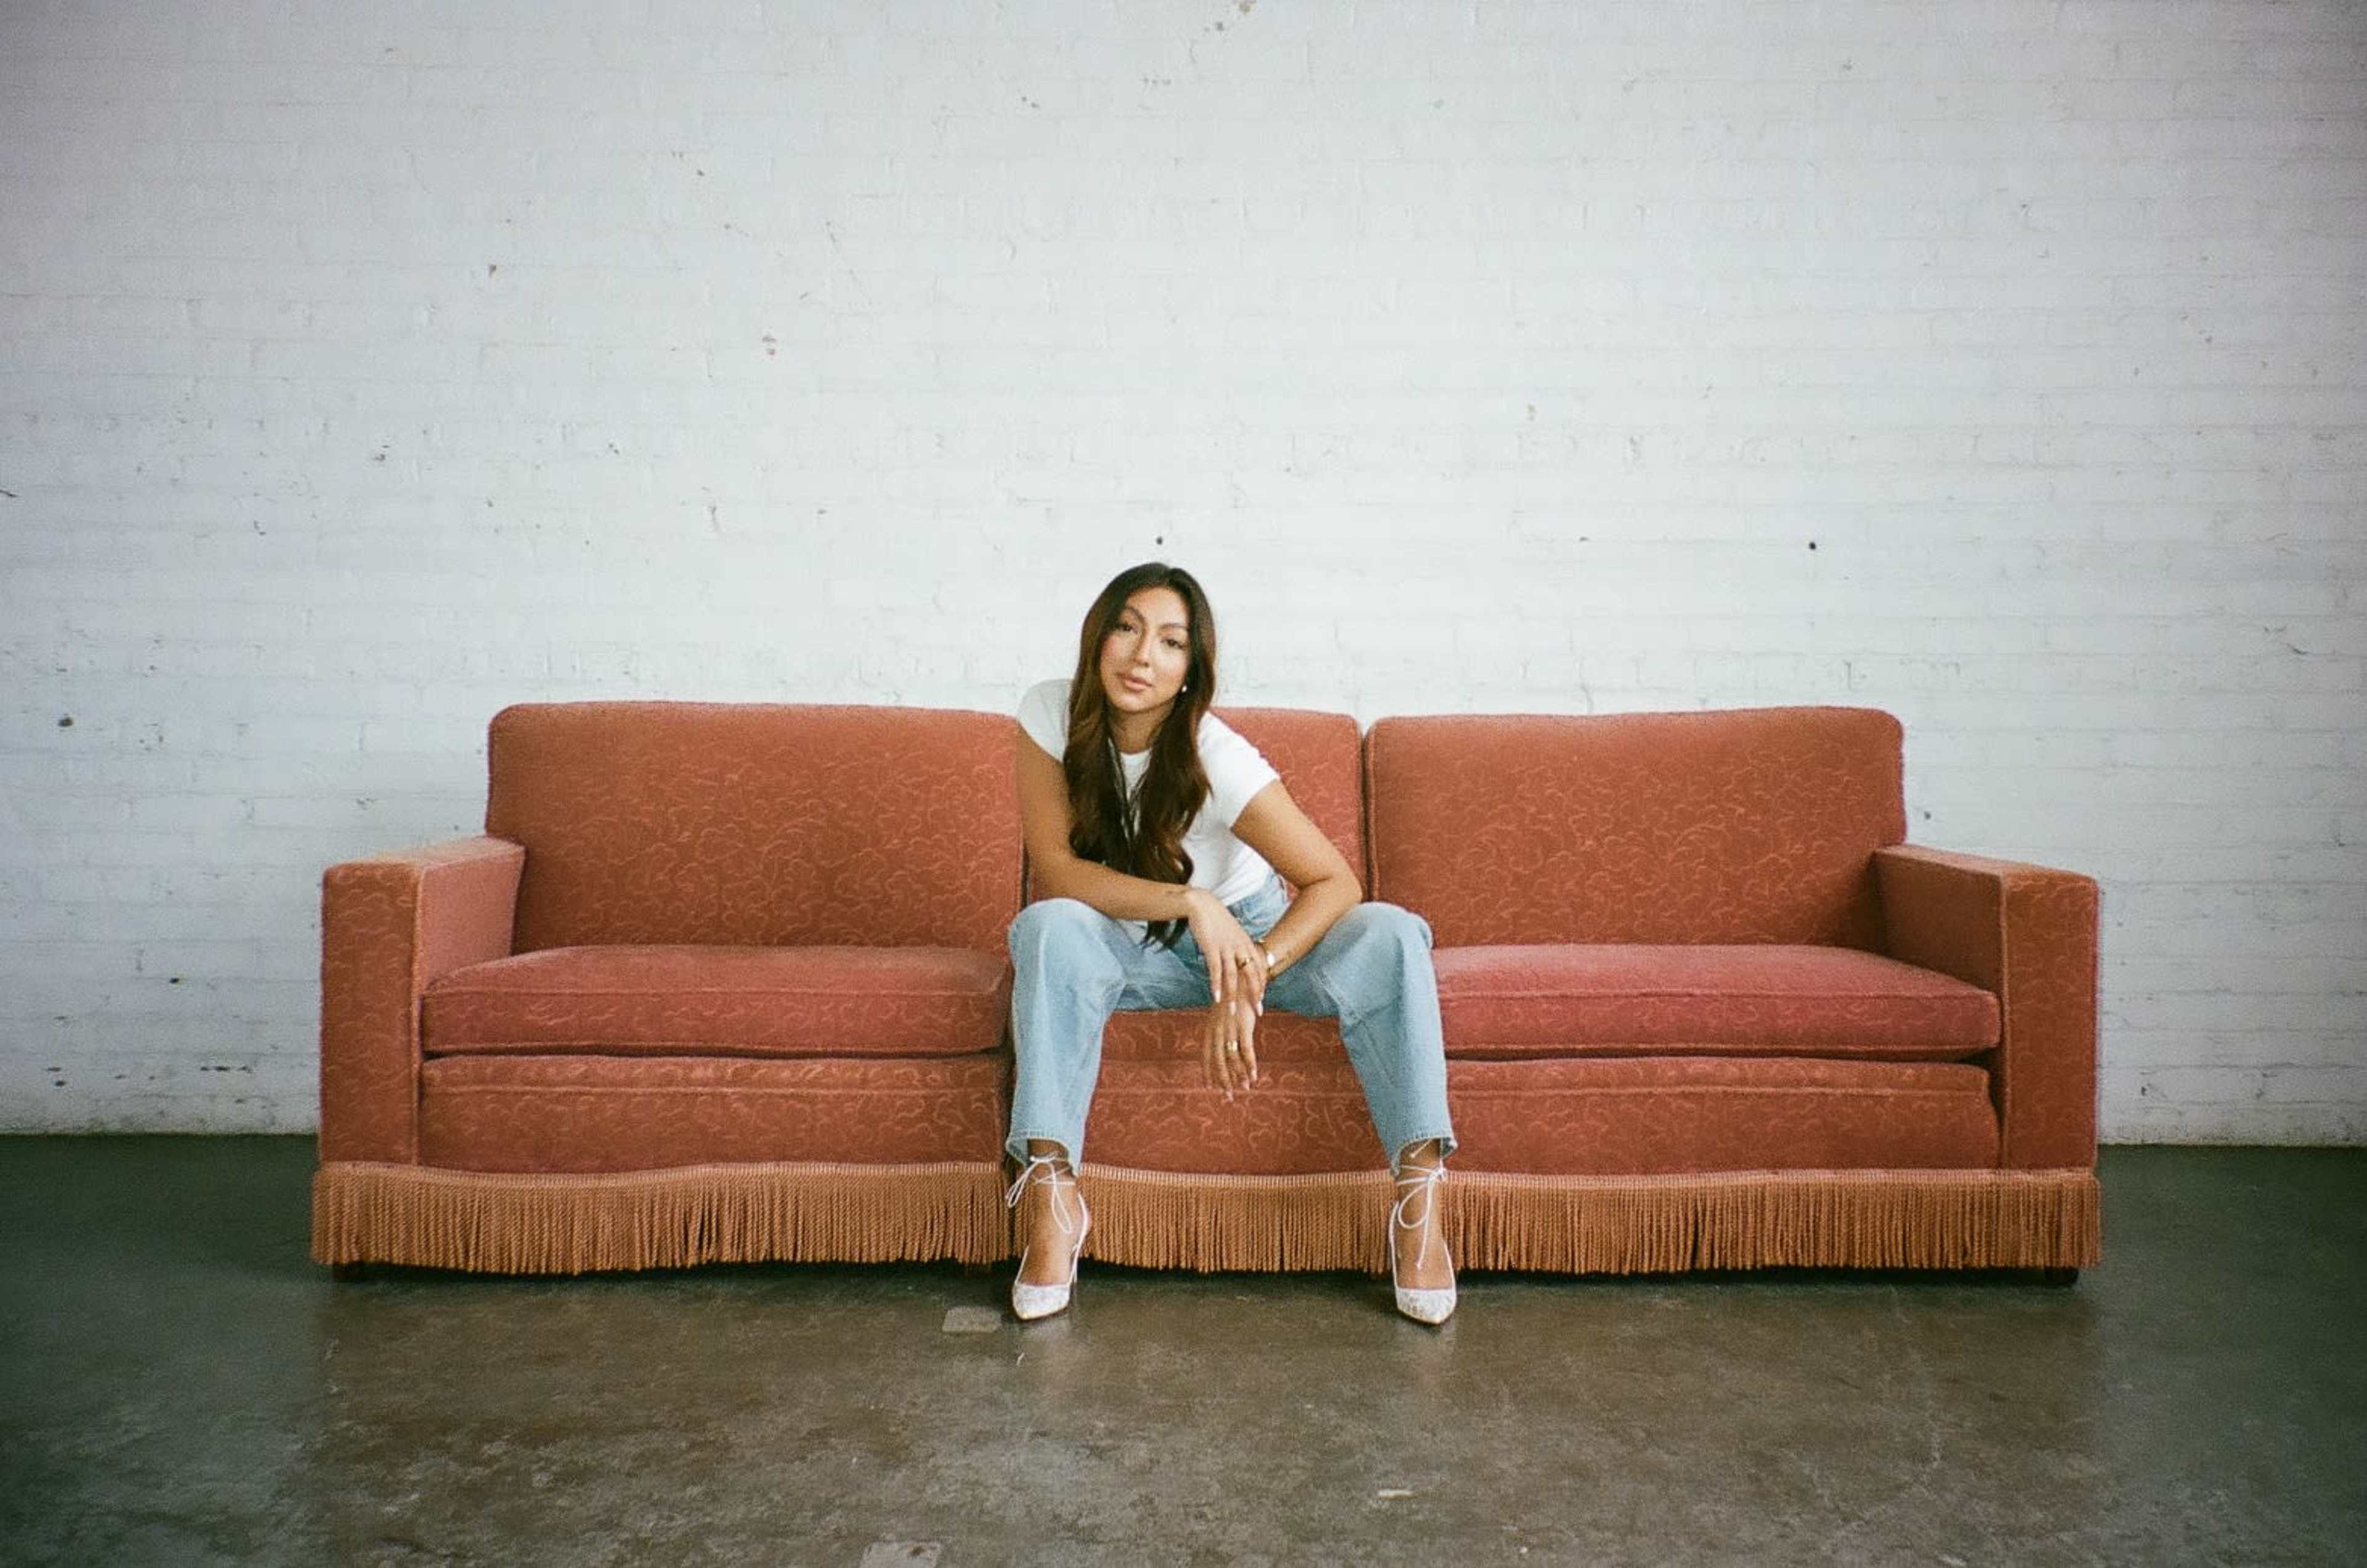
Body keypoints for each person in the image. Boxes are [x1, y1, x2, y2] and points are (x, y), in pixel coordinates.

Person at [1003, 561, 1459, 1325]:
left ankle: (1419, 1204)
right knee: (1047, 928)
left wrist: (1251, 974)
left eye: (1171, 643)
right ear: (1098, 636)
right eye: (1127, 628)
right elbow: (1057, 869)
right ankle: (1052, 1200)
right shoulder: (1048, 714)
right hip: (1130, 947)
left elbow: (1334, 882)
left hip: (1252, 943)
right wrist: (1190, 900)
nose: (1142, 655)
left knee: (1392, 932)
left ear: (1191, 672)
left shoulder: (1217, 756)